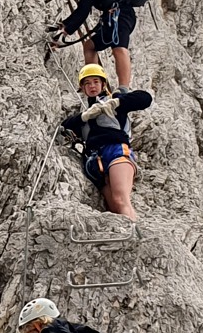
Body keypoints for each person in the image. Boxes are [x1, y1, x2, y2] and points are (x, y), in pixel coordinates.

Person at [61, 63, 152, 223]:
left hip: (116, 151)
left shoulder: (115, 102)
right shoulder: (84, 114)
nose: (92, 86)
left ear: (103, 84)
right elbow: (65, 127)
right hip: (95, 161)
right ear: (82, 88)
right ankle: (127, 233)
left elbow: (145, 98)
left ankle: (133, 233)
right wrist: (83, 117)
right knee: (114, 208)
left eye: (96, 81)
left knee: (121, 200)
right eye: (87, 83)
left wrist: (117, 102)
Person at [47, 0, 147, 88]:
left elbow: (83, 10)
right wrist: (64, 25)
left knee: (119, 48)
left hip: (120, 14)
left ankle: (123, 89)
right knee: (89, 46)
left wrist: (66, 30)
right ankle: (94, 84)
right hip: (115, 15)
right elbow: (83, 9)